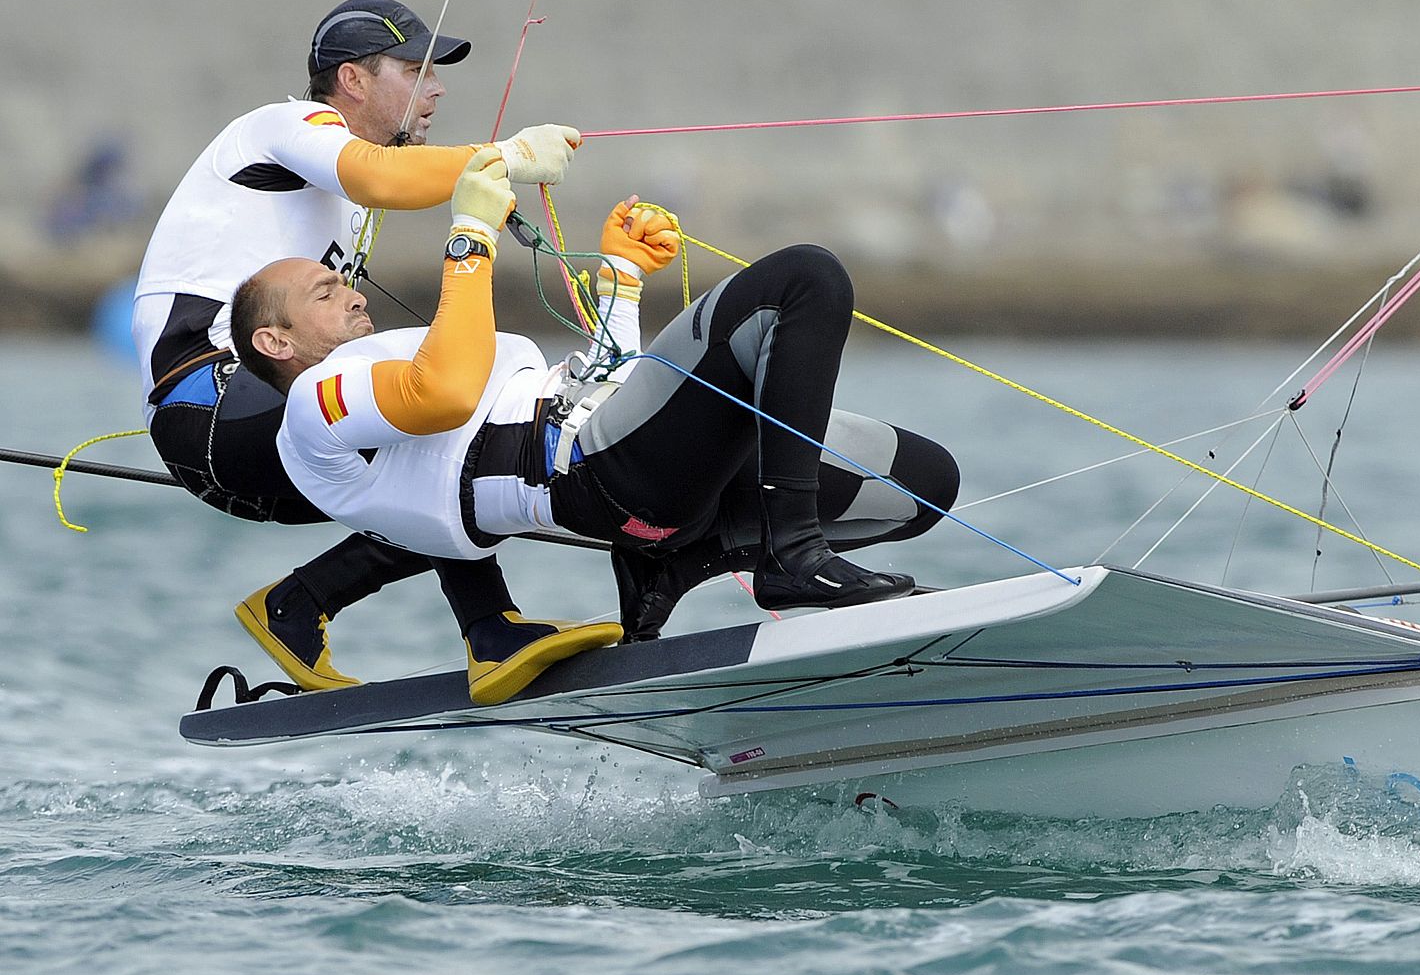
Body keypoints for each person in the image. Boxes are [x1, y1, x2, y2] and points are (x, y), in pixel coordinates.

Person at [230, 151, 960, 705]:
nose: (352, 294)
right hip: (598, 475)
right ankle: (791, 555)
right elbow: (447, 393)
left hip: (630, 460)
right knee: (804, 278)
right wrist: (468, 234)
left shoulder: (380, 385)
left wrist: (620, 281)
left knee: (925, 486)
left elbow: (609, 393)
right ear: (275, 343)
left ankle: (678, 562)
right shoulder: (315, 401)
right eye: (326, 291)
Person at [132, 0, 610, 695]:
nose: (437, 88)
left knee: (435, 417)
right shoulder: (282, 125)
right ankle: (486, 627)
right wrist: (502, 157)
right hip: (210, 407)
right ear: (353, 78)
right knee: (436, 402)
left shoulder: (343, 186)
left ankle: (305, 606)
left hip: (268, 434)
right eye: (415, 70)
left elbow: (379, 182)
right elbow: (384, 178)